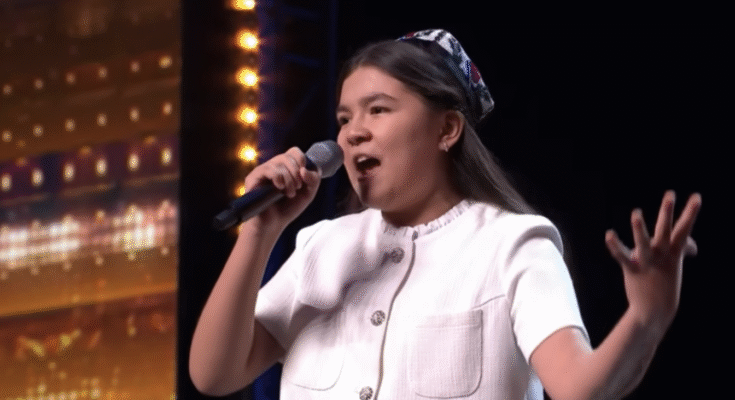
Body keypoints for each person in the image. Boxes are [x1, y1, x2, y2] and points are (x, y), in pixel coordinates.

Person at [189, 29, 701, 399]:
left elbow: (577, 387)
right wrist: (259, 234)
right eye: (344, 118)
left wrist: (646, 318)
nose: (352, 132)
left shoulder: (513, 245)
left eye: (378, 109)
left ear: (447, 129)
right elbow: (214, 374)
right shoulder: (322, 246)